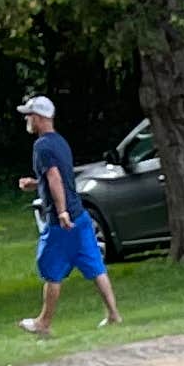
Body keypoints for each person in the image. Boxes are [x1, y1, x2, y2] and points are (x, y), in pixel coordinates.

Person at [15, 90, 120, 337]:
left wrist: (61, 212)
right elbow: (57, 176)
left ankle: (44, 323)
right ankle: (114, 315)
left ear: (39, 117)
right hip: (80, 215)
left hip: (61, 222)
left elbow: (54, 177)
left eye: (29, 115)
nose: (27, 120)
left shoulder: (41, 146)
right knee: (95, 266)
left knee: (52, 270)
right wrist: (34, 184)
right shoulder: (60, 142)